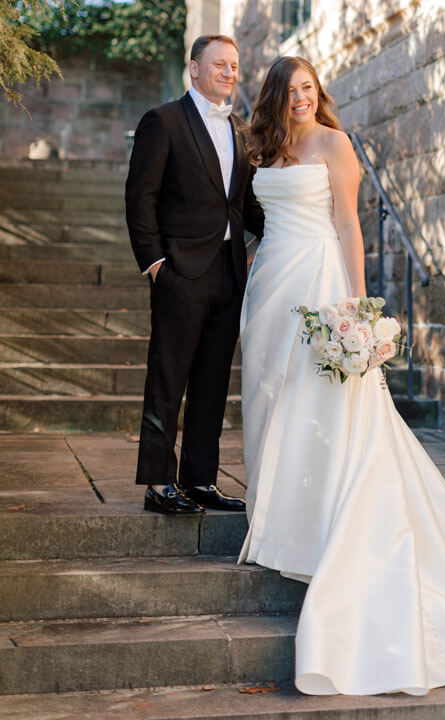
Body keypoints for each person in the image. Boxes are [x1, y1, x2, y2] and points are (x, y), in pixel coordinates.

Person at [237, 56, 445, 696]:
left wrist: (359, 309)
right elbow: (265, 224)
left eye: (310, 90)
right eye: (291, 92)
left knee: (323, 402)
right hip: (270, 285)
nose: (302, 100)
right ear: (276, 98)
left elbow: (347, 224)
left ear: (320, 94)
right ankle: (276, 518)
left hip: (318, 281)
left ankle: (322, 523)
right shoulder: (265, 149)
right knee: (268, 395)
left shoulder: (336, 144)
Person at [126, 35, 263, 515]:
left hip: (228, 273)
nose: (229, 73)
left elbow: (243, 204)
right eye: (219, 64)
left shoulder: (240, 130)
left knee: (212, 382)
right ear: (194, 69)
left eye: (234, 66)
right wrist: (156, 263)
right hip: (181, 271)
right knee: (168, 376)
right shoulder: (161, 121)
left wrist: (292, 233)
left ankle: (201, 480)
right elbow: (140, 196)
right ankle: (159, 483)